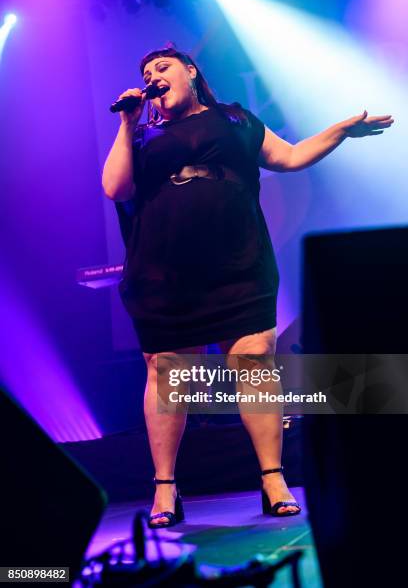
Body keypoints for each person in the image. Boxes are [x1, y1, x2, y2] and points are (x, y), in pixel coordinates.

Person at [102, 47, 394, 528]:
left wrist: (340, 131)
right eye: (146, 73)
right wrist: (127, 124)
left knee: (254, 363)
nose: (153, 77)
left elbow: (291, 156)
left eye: (162, 67)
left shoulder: (235, 119)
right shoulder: (142, 135)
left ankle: (273, 478)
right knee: (169, 375)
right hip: (163, 273)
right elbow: (116, 188)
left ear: (191, 72)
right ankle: (166, 490)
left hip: (237, 264)